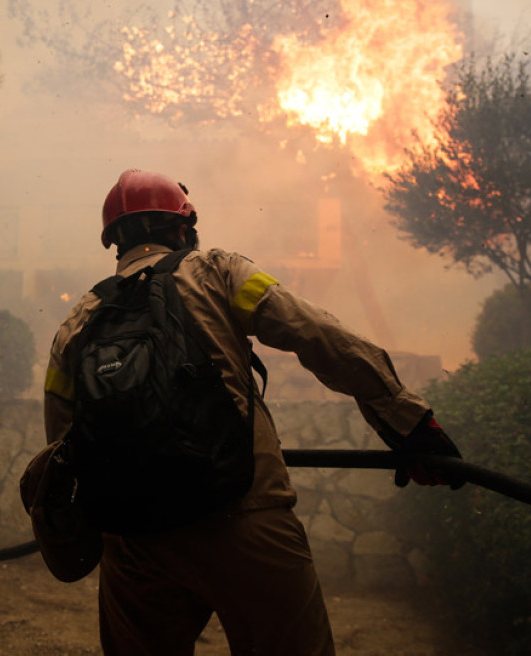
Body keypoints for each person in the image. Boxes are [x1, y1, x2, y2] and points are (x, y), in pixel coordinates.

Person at [42, 169, 464, 655]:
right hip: (242, 515)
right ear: (183, 227)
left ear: (114, 240)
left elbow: (61, 441)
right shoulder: (215, 271)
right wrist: (408, 421)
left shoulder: (78, 320)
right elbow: (316, 334)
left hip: (134, 541)